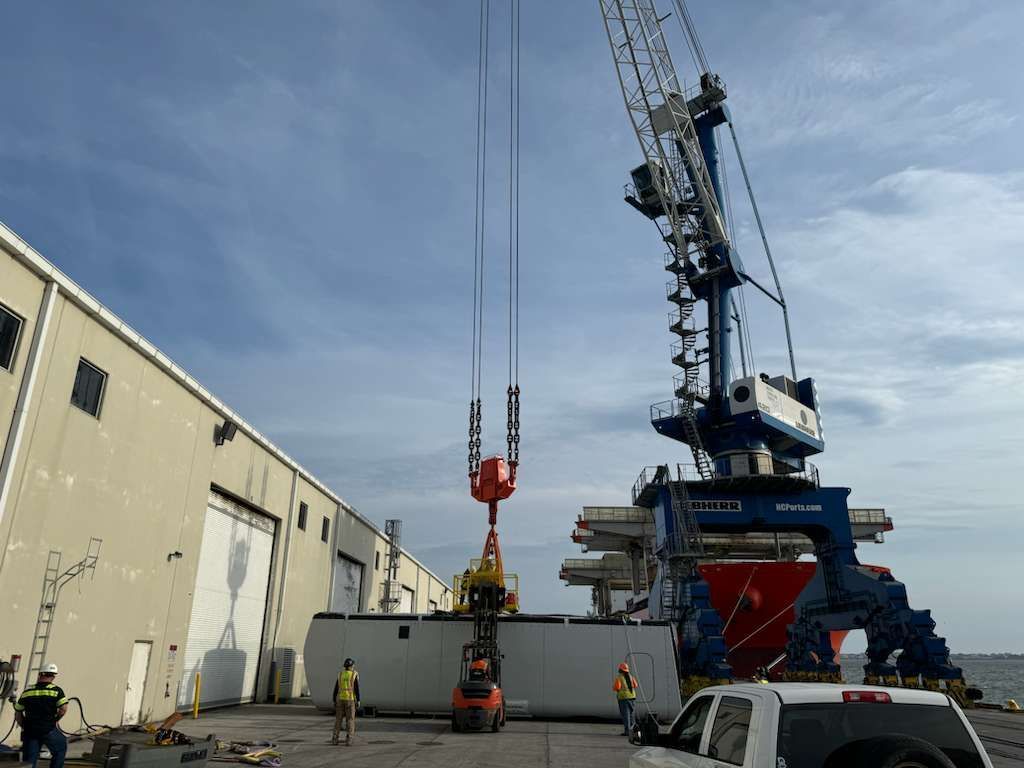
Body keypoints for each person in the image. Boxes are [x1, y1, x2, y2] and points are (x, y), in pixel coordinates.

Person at [13, 663, 68, 768]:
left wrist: (24, 726)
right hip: (47, 729)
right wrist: (56, 720)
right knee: (60, 748)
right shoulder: (56, 691)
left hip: (30, 730)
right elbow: (63, 709)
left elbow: (18, 713)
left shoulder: (27, 691)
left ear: (40, 674)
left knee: (29, 761)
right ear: (53, 676)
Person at [331, 658, 360, 746]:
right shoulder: (354, 674)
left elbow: (336, 688)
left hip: (339, 699)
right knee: (350, 720)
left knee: (338, 720)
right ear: (351, 666)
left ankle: (335, 739)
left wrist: (334, 700)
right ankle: (349, 740)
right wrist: (358, 700)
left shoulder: (340, 674)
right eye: (353, 665)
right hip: (350, 700)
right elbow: (356, 689)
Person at [612, 662, 638, 736]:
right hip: (632, 697)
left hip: (624, 699)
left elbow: (616, 688)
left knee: (626, 715)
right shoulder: (631, 676)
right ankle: (634, 731)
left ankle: (627, 731)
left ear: (620, 669)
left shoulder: (619, 678)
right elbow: (636, 685)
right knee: (632, 715)